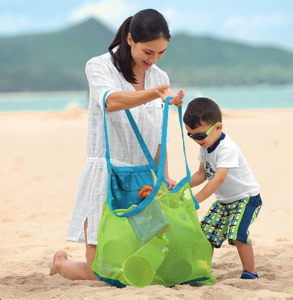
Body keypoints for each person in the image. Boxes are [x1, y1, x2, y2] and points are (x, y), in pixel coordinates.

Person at [50, 9, 184, 280]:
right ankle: (61, 263)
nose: (153, 60)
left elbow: (160, 135)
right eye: (148, 52)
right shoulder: (99, 66)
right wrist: (153, 95)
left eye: (160, 53)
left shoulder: (160, 77)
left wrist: (164, 175)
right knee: (101, 272)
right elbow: (110, 101)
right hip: (107, 175)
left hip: (145, 180)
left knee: (144, 266)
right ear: (131, 39)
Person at [183, 97, 262, 280]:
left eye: (200, 135)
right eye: (191, 135)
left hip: (246, 199)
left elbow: (216, 180)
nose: (196, 140)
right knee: (205, 234)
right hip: (224, 202)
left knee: (237, 234)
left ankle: (250, 272)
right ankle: (203, 271)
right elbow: (202, 174)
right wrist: (182, 185)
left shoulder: (227, 149)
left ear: (218, 127)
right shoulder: (205, 146)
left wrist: (196, 200)